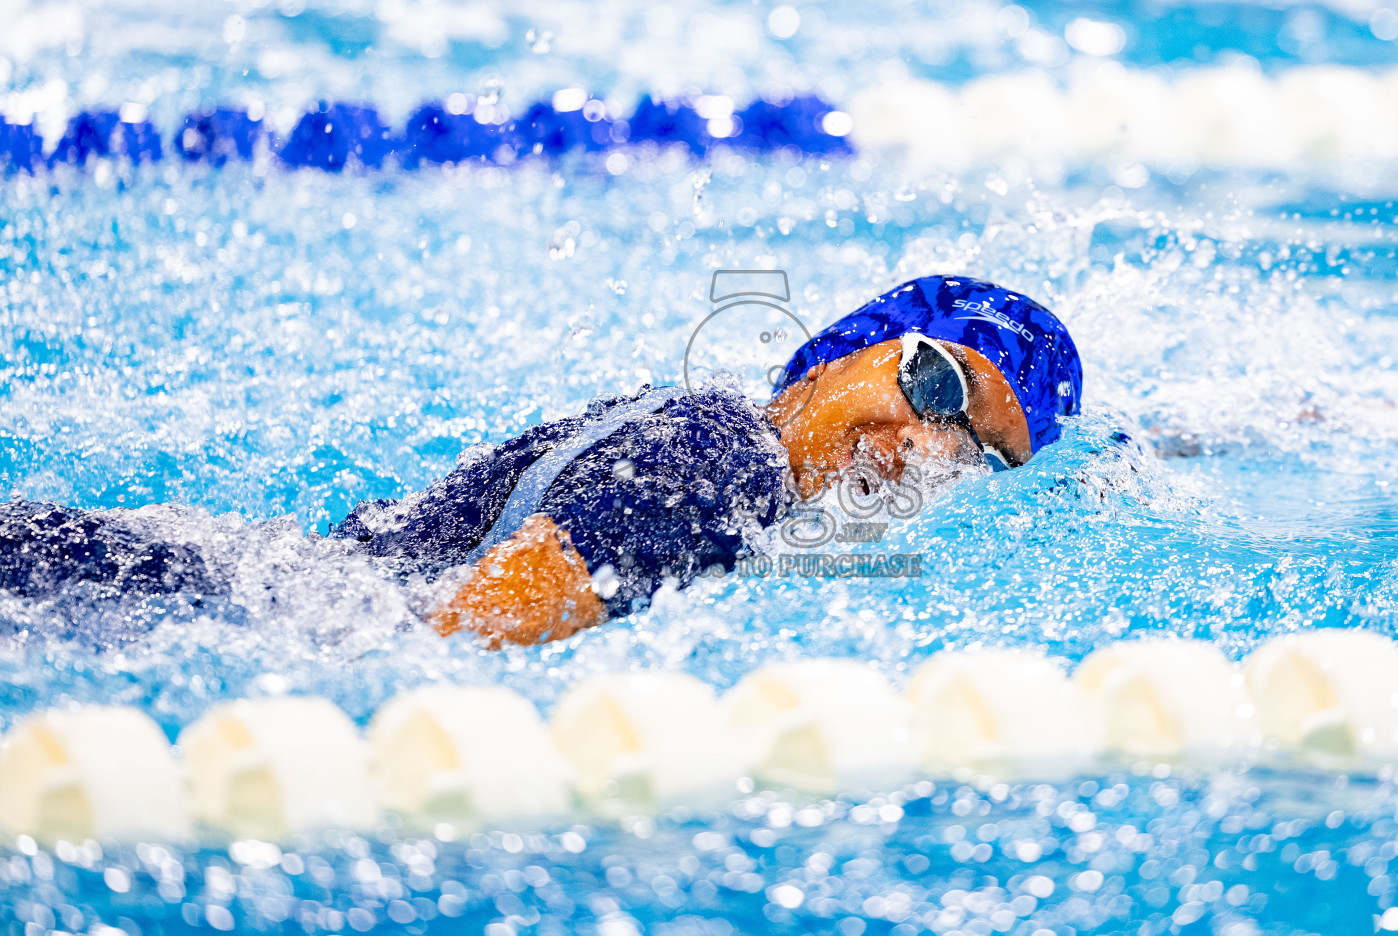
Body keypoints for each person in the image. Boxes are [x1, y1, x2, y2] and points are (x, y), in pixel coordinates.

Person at [0, 276, 1081, 647]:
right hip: (154, 597)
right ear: (849, 346)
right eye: (936, 385)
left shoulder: (720, 451)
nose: (921, 445)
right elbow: (446, 646)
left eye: (972, 452)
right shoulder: (720, 466)